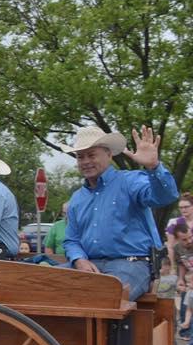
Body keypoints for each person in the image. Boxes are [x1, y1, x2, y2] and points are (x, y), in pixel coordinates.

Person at [61, 125, 179, 302]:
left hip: (131, 264)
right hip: (89, 266)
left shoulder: (130, 181)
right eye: (80, 156)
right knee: (38, 286)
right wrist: (79, 260)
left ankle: (101, 330)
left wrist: (154, 167)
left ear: (109, 155)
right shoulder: (77, 198)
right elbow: (71, 239)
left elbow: (165, 196)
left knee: (104, 298)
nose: (85, 161)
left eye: (91, 155)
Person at [165, 192, 193, 273]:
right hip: (183, 261)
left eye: (186, 207)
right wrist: (173, 266)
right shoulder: (174, 223)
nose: (183, 210)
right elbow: (170, 246)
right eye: (181, 207)